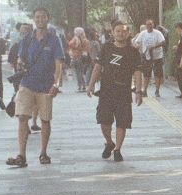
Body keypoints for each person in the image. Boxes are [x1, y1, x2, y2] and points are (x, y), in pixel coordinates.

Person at [6, 7, 64, 168]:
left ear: (47, 19)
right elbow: (20, 59)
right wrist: (20, 64)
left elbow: (59, 63)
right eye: (37, 17)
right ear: (34, 19)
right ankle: (21, 155)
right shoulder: (27, 39)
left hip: (45, 85)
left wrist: (56, 83)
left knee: (45, 119)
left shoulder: (54, 40)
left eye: (43, 17)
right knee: (23, 118)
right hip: (27, 84)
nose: (40, 20)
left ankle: (43, 153)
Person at [86, 19, 143, 162]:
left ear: (128, 33)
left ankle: (117, 149)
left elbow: (137, 72)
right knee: (104, 121)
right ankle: (109, 142)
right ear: (112, 33)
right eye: (117, 31)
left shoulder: (133, 52)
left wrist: (139, 91)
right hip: (106, 91)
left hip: (123, 92)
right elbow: (98, 67)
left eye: (124, 31)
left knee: (122, 122)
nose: (121, 33)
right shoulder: (106, 48)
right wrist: (91, 84)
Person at [132, 19, 165, 96]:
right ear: (146, 26)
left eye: (150, 24)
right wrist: (136, 46)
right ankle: (145, 91)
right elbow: (136, 42)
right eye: (147, 25)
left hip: (157, 56)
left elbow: (163, 42)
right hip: (146, 57)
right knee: (146, 74)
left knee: (157, 74)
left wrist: (154, 47)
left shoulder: (157, 33)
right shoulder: (143, 33)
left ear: (153, 25)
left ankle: (157, 90)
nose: (149, 26)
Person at [68, 27, 90, 91]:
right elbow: (87, 50)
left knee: (78, 73)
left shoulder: (75, 39)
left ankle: (80, 86)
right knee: (82, 72)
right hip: (83, 58)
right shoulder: (85, 40)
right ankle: (84, 86)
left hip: (76, 57)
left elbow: (70, 45)